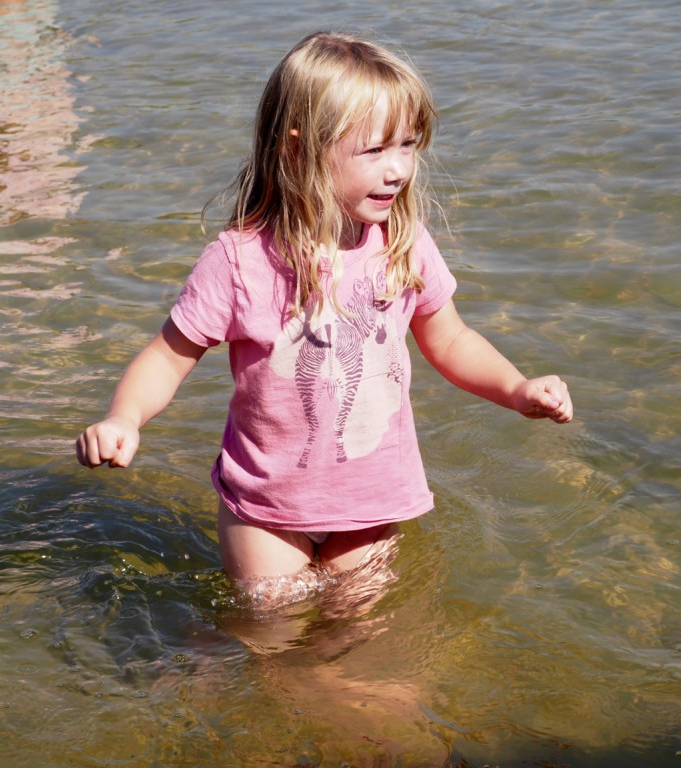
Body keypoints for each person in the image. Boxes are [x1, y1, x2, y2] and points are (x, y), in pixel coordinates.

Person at [76, 31, 573, 607]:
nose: (398, 171)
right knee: (271, 629)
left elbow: (452, 339)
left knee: (361, 643)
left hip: (371, 497)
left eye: (408, 145)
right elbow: (167, 357)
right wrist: (124, 418)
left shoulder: (403, 245)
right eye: (375, 151)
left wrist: (516, 388)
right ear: (298, 149)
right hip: (267, 506)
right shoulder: (240, 261)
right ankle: (208, 662)